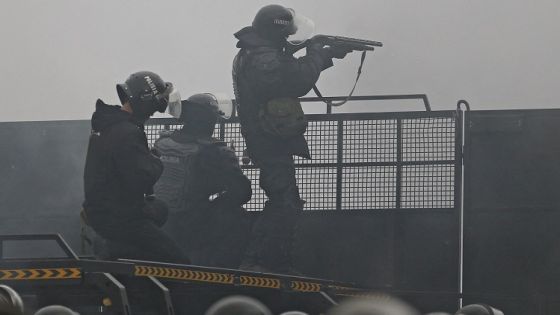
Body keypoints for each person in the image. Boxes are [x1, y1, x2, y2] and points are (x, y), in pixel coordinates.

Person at [232, 4, 351, 273]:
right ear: (277, 29)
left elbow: (288, 68)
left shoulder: (259, 51)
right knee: (283, 202)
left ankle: (271, 261)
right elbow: (294, 79)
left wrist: (326, 55)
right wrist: (316, 55)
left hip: (268, 135)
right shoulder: (262, 56)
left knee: (285, 200)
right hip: (268, 138)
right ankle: (257, 261)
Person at [82, 71, 189, 264]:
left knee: (161, 209)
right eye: (154, 107)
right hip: (121, 217)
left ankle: (120, 250)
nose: (152, 113)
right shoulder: (127, 133)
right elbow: (141, 178)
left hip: (102, 211)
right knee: (180, 264)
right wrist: (156, 161)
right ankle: (114, 251)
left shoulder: (107, 126)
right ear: (146, 101)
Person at [154, 93, 252, 267]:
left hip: (157, 219)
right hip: (190, 222)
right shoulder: (215, 150)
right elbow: (243, 192)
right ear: (210, 119)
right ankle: (221, 273)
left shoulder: (162, 142)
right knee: (238, 217)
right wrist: (216, 197)